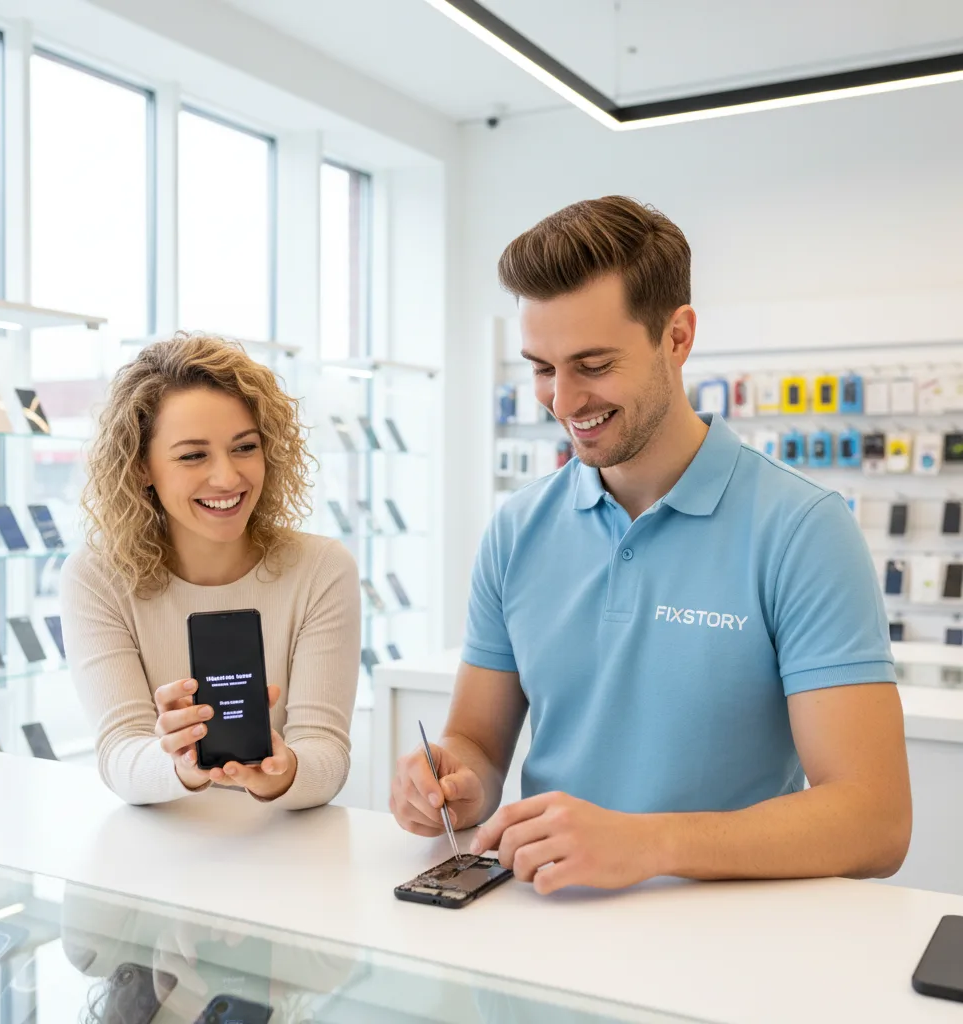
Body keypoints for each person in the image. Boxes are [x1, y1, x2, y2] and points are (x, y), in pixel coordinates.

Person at [391, 196, 912, 894]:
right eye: (542, 367)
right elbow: (478, 747)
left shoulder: (803, 529)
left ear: (677, 336)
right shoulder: (516, 529)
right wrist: (448, 782)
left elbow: (874, 822)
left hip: (725, 954)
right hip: (548, 931)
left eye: (594, 364)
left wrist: (649, 843)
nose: (564, 400)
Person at [61, 333, 360, 806]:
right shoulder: (97, 577)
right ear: (142, 467)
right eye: (193, 455)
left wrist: (282, 770)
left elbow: (327, 753)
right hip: (159, 856)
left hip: (287, 855)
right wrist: (182, 762)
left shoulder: (321, 569)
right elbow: (119, 754)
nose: (227, 477)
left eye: (245, 447)